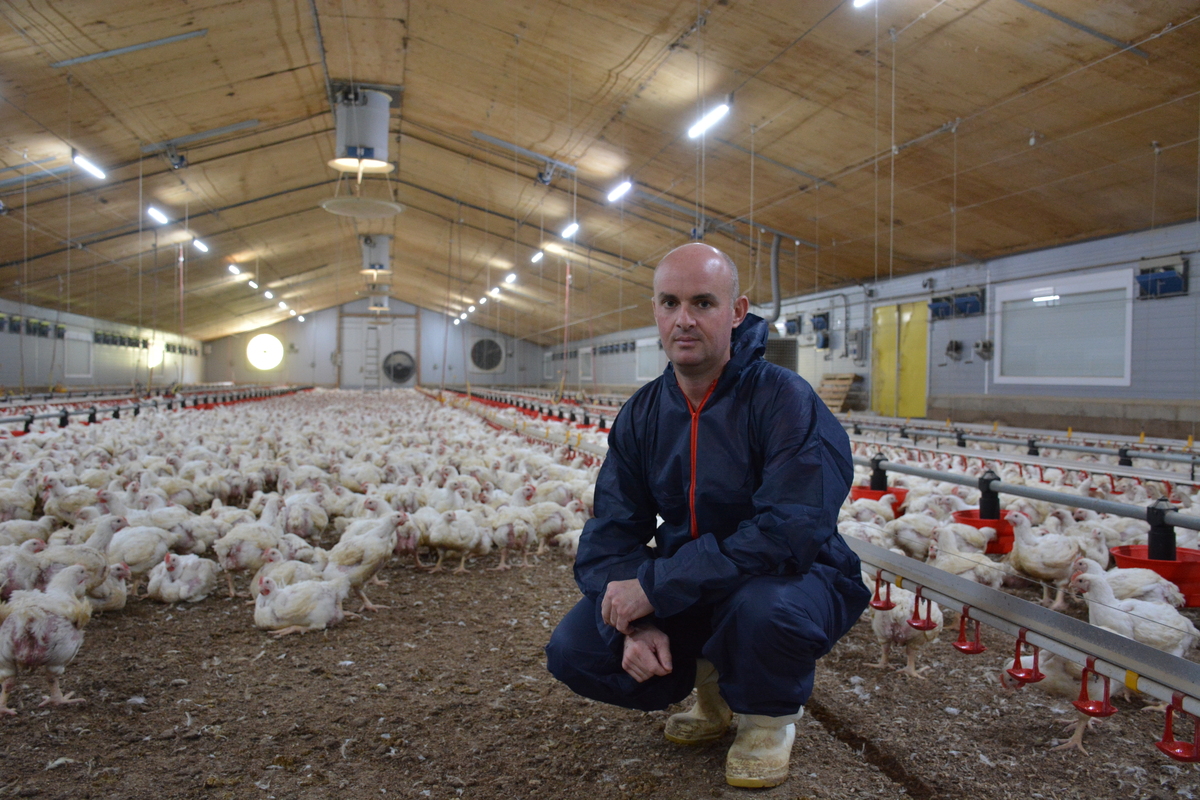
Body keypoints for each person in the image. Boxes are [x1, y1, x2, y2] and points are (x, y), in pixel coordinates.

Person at [545, 242, 870, 788]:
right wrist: (639, 619)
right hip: (690, 585)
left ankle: (767, 720)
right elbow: (609, 535)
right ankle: (712, 682)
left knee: (763, 608)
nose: (684, 319)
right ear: (655, 310)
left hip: (792, 578)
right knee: (576, 647)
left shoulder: (784, 401)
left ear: (737, 312)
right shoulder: (644, 413)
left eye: (702, 302)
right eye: (669, 303)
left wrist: (659, 585)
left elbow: (789, 532)